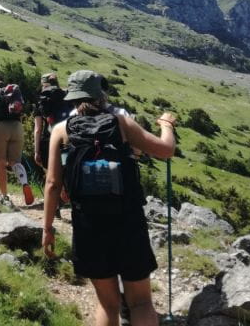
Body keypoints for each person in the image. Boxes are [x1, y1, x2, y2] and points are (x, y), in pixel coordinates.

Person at [42, 70, 176, 326]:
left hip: (88, 223)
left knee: (107, 303)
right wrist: (166, 126)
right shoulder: (121, 122)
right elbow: (165, 150)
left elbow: (51, 184)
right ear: (101, 94)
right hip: (128, 219)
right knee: (141, 302)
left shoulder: (61, 131)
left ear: (72, 96)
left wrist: (48, 229)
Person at [0, 73, 34, 204]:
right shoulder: (12, 92)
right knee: (15, 161)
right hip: (17, 127)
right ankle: (24, 183)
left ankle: (4, 196)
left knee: (0, 163)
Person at [34, 72, 69, 168]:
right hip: (67, 140)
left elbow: (38, 130)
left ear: (43, 84)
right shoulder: (66, 95)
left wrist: (36, 151)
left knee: (51, 173)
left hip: (49, 140)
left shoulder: (42, 100)